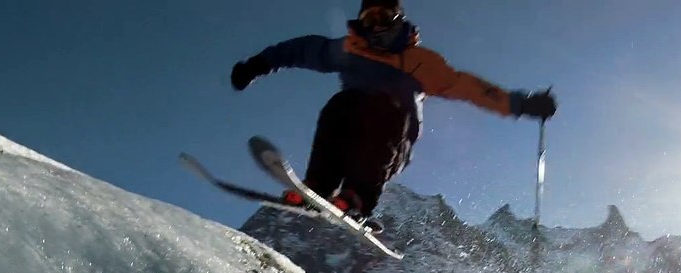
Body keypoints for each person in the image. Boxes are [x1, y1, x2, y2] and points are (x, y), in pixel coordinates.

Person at [231, 0, 555, 222]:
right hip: (349, 132)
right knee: (341, 104)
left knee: (384, 105)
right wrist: (257, 65)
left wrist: (522, 104)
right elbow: (301, 50)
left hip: (393, 139)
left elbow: (472, 88)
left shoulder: (422, 62)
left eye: (383, 18)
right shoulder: (352, 49)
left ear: (398, 20)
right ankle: (318, 185)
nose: (376, 28)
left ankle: (357, 197)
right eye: (369, 20)